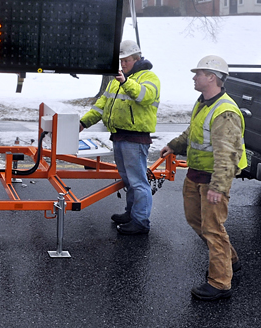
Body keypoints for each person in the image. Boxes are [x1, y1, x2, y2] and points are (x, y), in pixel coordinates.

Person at [160, 55, 247, 301]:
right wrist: (174, 145)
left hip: (212, 180)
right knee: (196, 221)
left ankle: (220, 283)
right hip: (196, 174)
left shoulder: (225, 112)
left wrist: (218, 187)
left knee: (212, 229)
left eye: (198, 73)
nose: (194, 77)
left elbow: (227, 154)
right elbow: (193, 131)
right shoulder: (203, 102)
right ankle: (229, 261)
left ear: (212, 77)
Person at [80, 40, 161, 235]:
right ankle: (131, 213)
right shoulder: (119, 80)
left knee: (138, 181)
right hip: (119, 136)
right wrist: (82, 123)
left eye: (126, 60)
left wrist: (125, 82)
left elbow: (145, 96)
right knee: (128, 179)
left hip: (135, 137)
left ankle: (141, 221)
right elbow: (101, 106)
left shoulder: (148, 77)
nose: (123, 64)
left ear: (137, 58)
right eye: (121, 60)